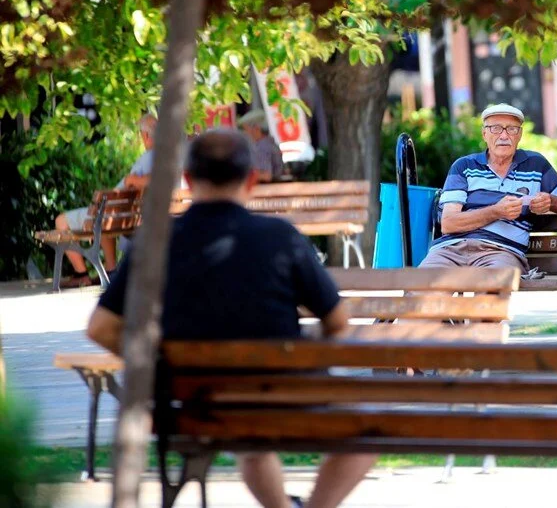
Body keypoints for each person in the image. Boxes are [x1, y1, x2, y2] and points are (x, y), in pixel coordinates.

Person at [85, 129, 374, 508]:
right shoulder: (279, 237)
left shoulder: (155, 241)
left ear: (187, 180)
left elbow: (100, 328)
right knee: (366, 431)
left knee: (251, 445)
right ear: (251, 180)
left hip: (189, 405)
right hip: (278, 397)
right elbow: (337, 322)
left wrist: (156, 359)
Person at [419, 103, 557, 271]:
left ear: (520, 134)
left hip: (501, 252)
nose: (503, 135)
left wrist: (551, 202)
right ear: (484, 134)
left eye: (511, 129)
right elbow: (449, 224)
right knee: (421, 290)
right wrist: (496, 211)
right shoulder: (464, 166)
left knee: (490, 291)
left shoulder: (536, 165)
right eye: (495, 128)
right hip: (450, 250)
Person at [53, 113, 158, 287]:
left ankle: (81, 274)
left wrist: (129, 180)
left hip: (110, 214)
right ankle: (111, 271)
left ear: (146, 136)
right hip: (120, 215)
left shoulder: (148, 158)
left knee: (61, 220)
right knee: (105, 215)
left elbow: (143, 181)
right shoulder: (166, 160)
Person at [239, 108, 284, 182]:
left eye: (245, 129)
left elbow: (266, 175)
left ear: (256, 129)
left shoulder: (262, 147)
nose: (244, 133)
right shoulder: (269, 143)